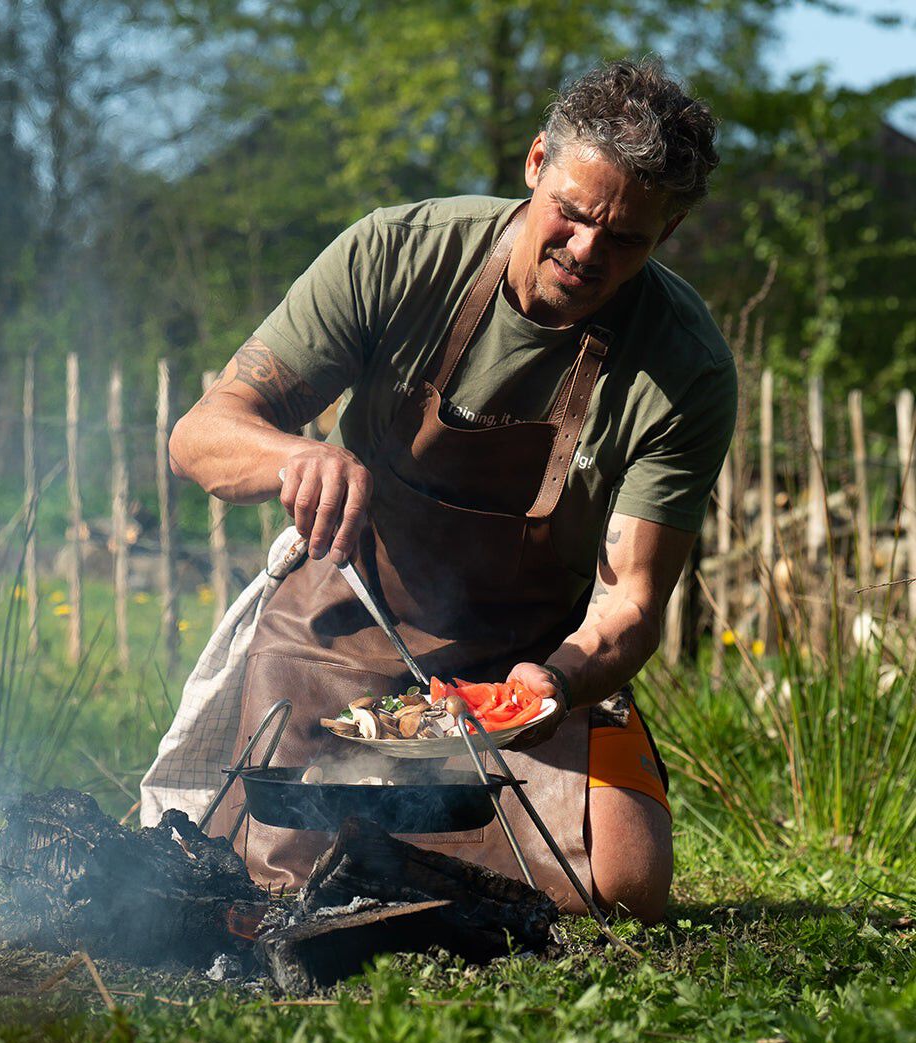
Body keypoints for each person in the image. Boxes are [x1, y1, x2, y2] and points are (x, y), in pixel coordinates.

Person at [152, 58, 736, 923]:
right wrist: (293, 457)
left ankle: (422, 851)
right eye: (572, 214)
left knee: (626, 883)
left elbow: (631, 605)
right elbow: (199, 436)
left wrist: (554, 684)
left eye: (624, 240)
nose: (586, 253)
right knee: (258, 865)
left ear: (671, 227)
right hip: (339, 639)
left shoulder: (685, 366)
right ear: (536, 162)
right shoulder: (396, 253)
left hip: (527, 674)